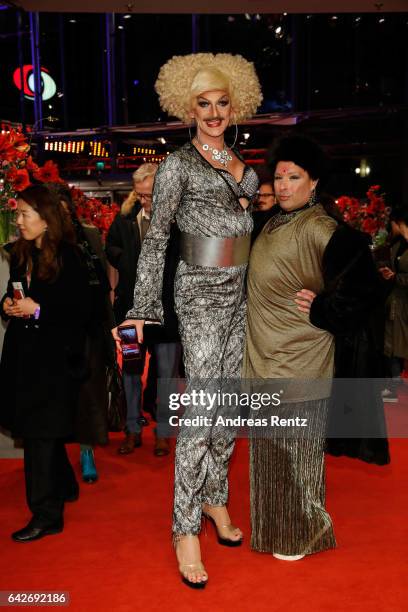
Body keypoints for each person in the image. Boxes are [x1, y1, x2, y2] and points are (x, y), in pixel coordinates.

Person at [112, 53, 262, 587]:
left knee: (229, 406)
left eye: (223, 102)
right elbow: (155, 242)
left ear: (235, 105)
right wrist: (140, 309)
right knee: (201, 412)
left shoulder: (237, 160)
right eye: (205, 103)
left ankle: (216, 499)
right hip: (198, 293)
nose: (215, 112)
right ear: (188, 109)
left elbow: (250, 199)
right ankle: (183, 527)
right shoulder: (176, 164)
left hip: (240, 291)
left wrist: (237, 169)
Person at [244, 136, 386, 560]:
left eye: (294, 177)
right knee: (268, 455)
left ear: (314, 182)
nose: (284, 185)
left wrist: (326, 309)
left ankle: (304, 534)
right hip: (263, 358)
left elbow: (367, 291)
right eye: (279, 176)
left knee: (298, 455)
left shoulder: (322, 227)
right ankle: (274, 532)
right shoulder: (272, 222)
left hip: (301, 362)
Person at [0, 185, 91, 542]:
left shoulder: (70, 256)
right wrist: (8, 306)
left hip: (55, 361)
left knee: (39, 434)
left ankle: (46, 514)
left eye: (25, 214)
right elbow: (14, 293)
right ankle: (65, 485)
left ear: (45, 219)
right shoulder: (22, 254)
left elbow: (80, 312)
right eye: (18, 213)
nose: (19, 221)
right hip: (24, 357)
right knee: (41, 430)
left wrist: (37, 309)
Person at [106, 163, 181, 456]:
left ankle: (163, 433)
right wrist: (129, 262)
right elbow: (111, 248)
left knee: (166, 377)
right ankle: (132, 430)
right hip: (129, 314)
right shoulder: (125, 218)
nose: (145, 200)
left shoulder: (179, 221)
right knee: (131, 373)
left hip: (167, 318)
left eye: (150, 195)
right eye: (141, 195)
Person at [52, 183, 115, 482]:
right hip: (54, 333)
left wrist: (108, 326)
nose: (62, 218)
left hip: (90, 330)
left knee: (89, 394)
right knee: (58, 396)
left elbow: (102, 286)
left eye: (65, 211)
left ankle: (86, 451)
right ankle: (57, 456)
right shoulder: (43, 243)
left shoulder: (89, 236)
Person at [379, 207, 408, 400]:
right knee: (393, 342)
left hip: (403, 302)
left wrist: (396, 277)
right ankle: (394, 381)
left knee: (395, 342)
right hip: (397, 302)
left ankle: (393, 386)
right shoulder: (399, 244)